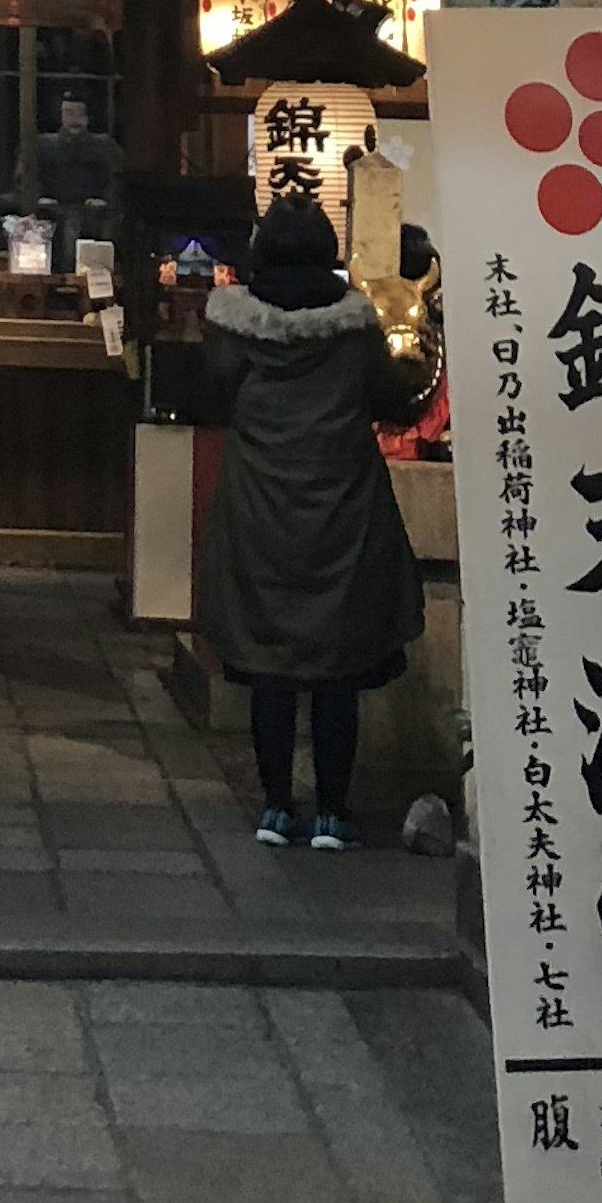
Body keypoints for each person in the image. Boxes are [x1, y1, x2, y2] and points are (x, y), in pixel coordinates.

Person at [191, 196, 433, 850]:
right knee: (337, 667)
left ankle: (276, 807)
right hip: (343, 507)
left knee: (269, 662)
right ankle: (332, 811)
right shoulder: (353, 326)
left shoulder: (231, 325)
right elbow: (390, 399)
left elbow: (212, 393)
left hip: (260, 505)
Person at [33, 88, 124, 274]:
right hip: (52, 210)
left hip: (94, 212)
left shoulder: (105, 146)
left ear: (87, 117)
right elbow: (27, 177)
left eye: (80, 114)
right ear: (60, 116)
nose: (74, 119)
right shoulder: (44, 145)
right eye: (68, 113)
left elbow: (117, 179)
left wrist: (106, 200)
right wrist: (39, 197)